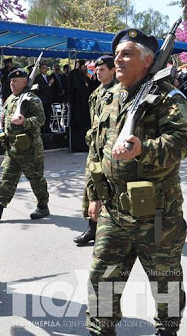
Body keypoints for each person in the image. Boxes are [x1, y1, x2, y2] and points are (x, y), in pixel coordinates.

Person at [85, 28, 187, 336]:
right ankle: (100, 329)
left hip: (156, 214)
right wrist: (92, 196)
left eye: (127, 54)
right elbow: (95, 151)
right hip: (113, 211)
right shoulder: (107, 98)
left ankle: (167, 329)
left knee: (165, 280)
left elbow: (182, 142)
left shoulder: (167, 98)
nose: (117, 59)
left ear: (148, 61)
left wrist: (142, 149)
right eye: (117, 53)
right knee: (102, 278)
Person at [0, 68, 50, 220]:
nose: (12, 84)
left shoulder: (31, 99)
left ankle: (43, 205)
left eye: (16, 81)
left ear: (25, 82)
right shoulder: (11, 98)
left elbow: (40, 119)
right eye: (11, 81)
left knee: (36, 178)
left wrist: (25, 121)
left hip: (29, 147)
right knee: (7, 177)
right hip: (12, 147)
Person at [73, 55, 117, 246]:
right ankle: (92, 228)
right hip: (95, 147)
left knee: (110, 188)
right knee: (92, 185)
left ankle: (112, 231)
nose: (97, 73)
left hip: (111, 149)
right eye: (96, 70)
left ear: (113, 70)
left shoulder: (119, 92)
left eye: (102, 70)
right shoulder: (96, 93)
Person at [35, 63, 54, 134]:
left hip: (48, 100)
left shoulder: (49, 77)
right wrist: (49, 84)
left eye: (46, 68)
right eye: (43, 68)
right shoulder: (38, 78)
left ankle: (48, 128)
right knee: (42, 115)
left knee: (48, 115)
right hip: (42, 99)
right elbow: (39, 88)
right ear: (40, 69)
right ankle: (42, 129)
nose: (45, 69)